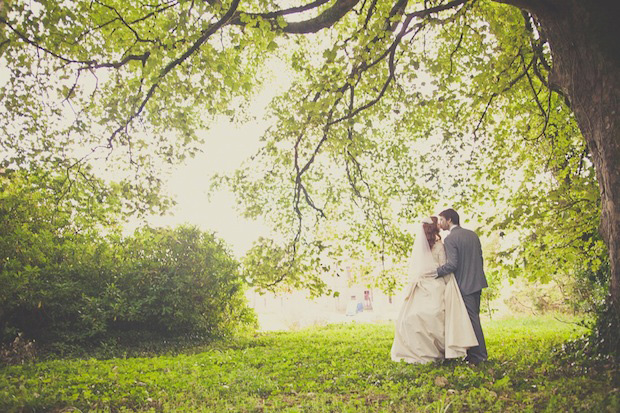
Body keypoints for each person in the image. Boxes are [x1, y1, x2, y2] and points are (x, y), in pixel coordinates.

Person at [391, 216, 478, 364]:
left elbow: (418, 268)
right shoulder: (439, 245)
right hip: (435, 282)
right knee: (438, 313)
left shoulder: (419, 246)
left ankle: (420, 351)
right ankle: (441, 351)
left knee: (415, 315)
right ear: (434, 228)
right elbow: (444, 264)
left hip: (424, 282)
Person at [434, 208, 488, 364]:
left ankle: (479, 356)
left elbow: (452, 264)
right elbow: (479, 258)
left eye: (442, 220)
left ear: (449, 220)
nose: (440, 223)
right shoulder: (473, 235)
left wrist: (435, 272)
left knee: (472, 320)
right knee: (472, 318)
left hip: (464, 284)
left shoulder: (450, 239)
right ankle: (472, 355)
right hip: (477, 282)